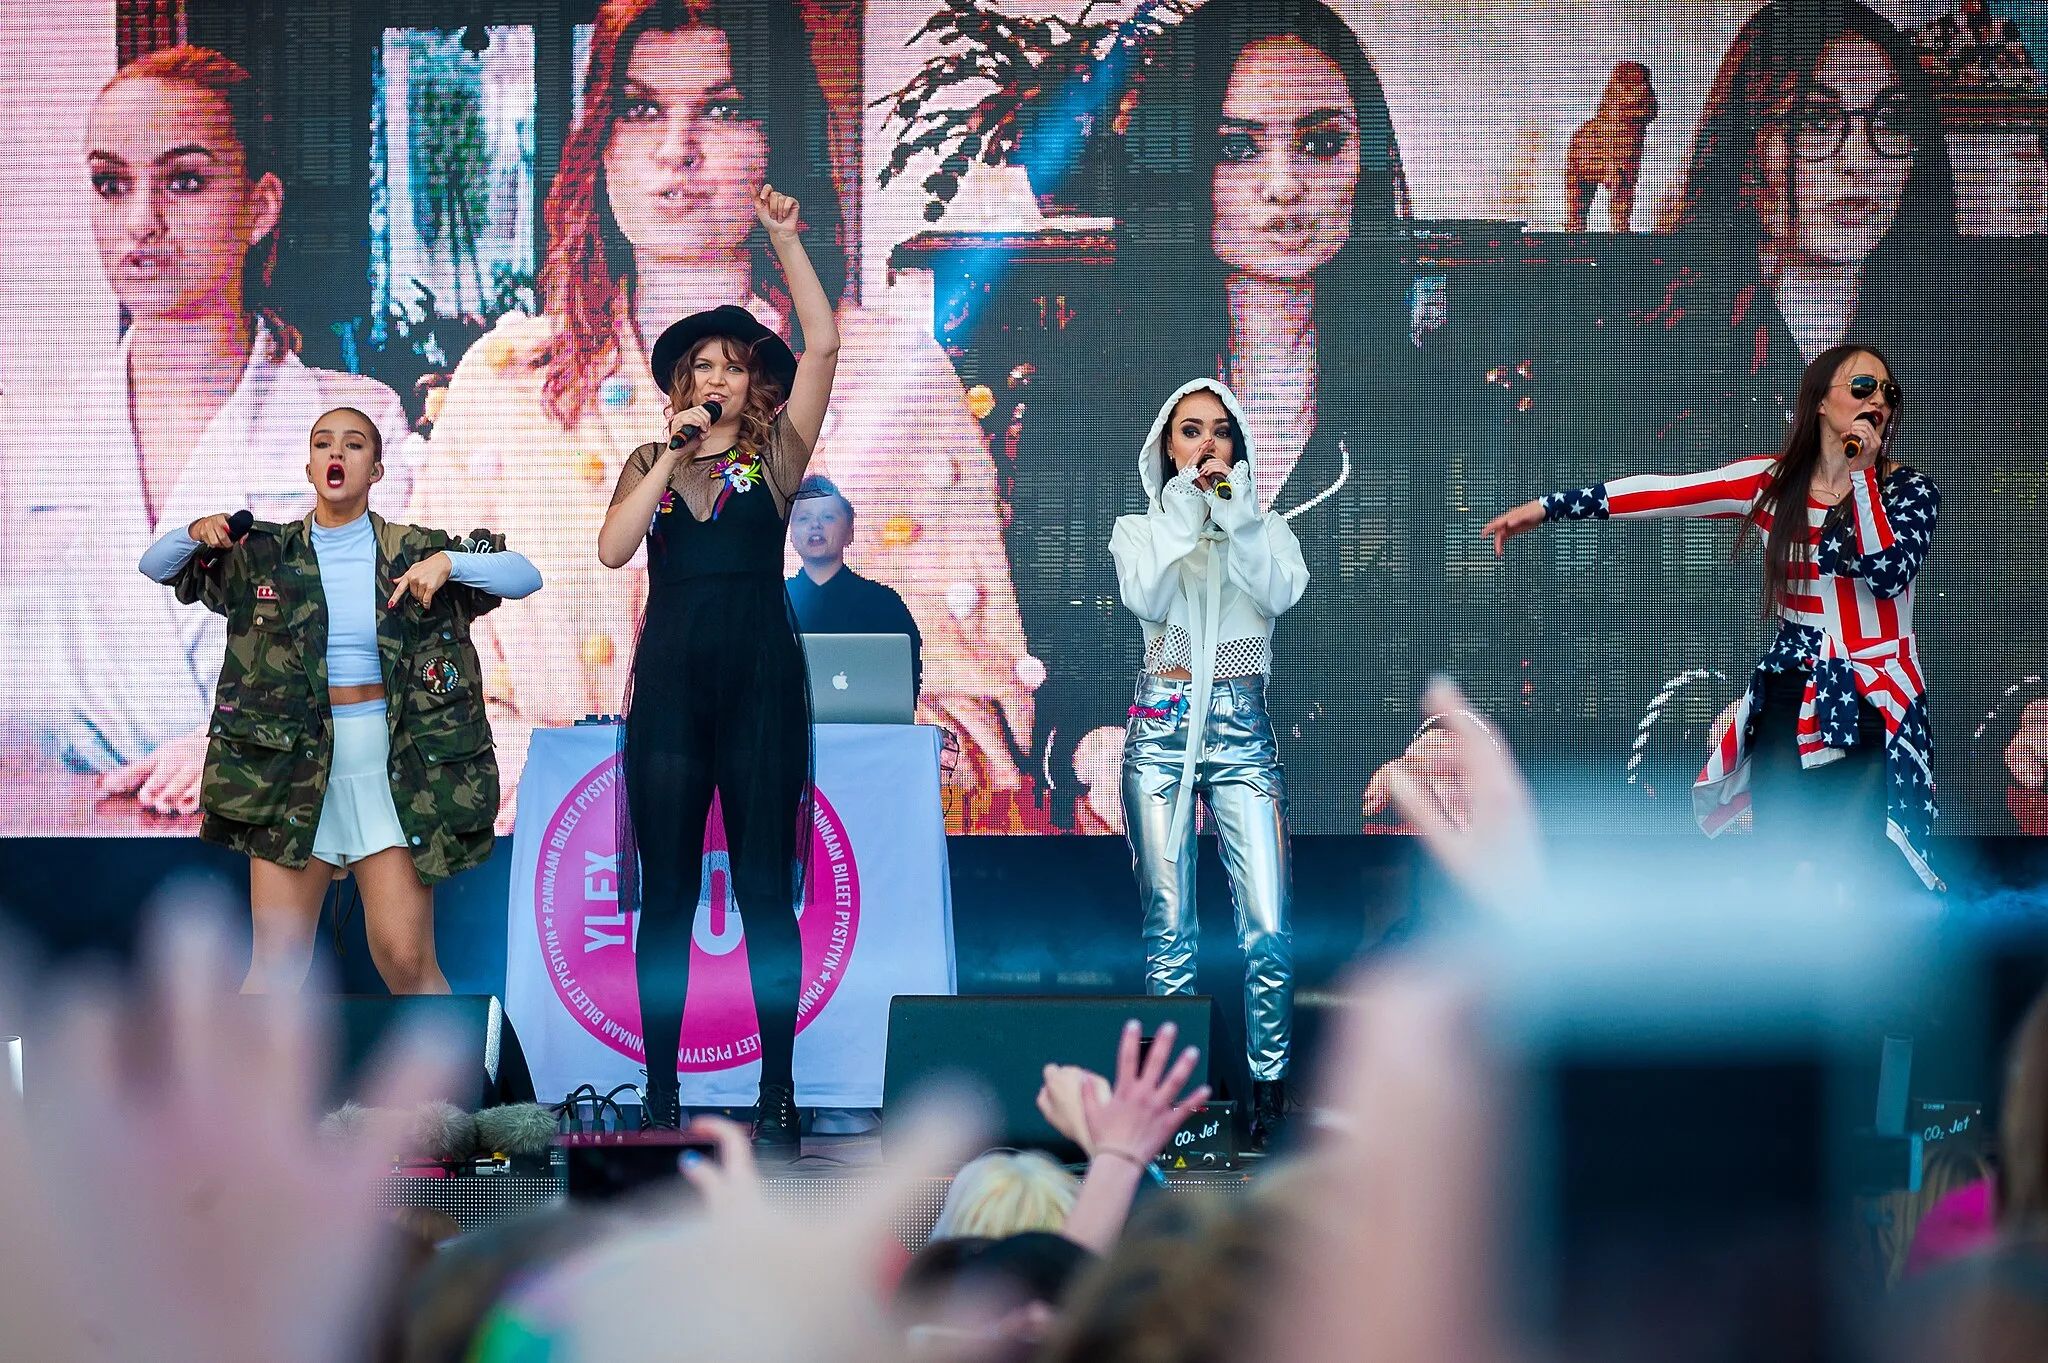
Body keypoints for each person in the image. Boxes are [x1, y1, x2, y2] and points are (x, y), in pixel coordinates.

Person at [411, 0, 1034, 833]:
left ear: (780, 141)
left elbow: (976, 725)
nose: (678, 151)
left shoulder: (892, 376)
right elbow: (420, 692)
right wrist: (606, 795)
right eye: (641, 110)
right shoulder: (505, 384)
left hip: (822, 901)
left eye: (723, 107)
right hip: (555, 897)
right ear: (599, 144)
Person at [986, 0, 1473, 837]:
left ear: (1366, 161)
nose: (1285, 186)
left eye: (1321, 142)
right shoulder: (1088, 397)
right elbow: (1045, 654)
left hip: (1358, 872)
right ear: (1179, 170)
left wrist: (1441, 746)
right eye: (1236, 147)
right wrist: (1102, 748)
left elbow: (1476, 651)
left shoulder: (1440, 408)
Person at [0, 45, 409, 821]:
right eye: (110, 183)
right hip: (59, 862)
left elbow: (411, 674)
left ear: (260, 207)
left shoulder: (358, 424)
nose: (141, 221)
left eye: (184, 180)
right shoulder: (27, 436)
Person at [1483, 343, 1942, 895]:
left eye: (1889, 394)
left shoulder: (1907, 489)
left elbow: (1888, 575)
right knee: (1782, 852)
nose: (1879, 402)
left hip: (1874, 700)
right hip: (1792, 689)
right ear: (1821, 401)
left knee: (1868, 866)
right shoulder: (1772, 484)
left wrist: (1863, 477)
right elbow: (1665, 492)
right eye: (1863, 388)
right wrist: (1550, 507)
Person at [139, 406, 540, 993]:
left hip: (390, 767)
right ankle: (258, 1089)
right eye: (324, 443)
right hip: (290, 770)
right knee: (276, 965)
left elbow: (523, 575)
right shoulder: (261, 553)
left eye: (354, 445)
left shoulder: (415, 549)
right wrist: (191, 533)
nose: (337, 454)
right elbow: (157, 566)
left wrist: (450, 562)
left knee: (406, 959)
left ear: (376, 469)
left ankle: (449, 1090)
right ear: (308, 465)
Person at [596, 183, 838, 1146]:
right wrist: (668, 452)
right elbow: (614, 550)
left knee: (767, 890)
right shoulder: (651, 462)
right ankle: (659, 1095)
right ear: (678, 385)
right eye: (701, 367)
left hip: (759, 688)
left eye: (733, 368)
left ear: (756, 385)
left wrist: (781, 236)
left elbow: (822, 346)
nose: (717, 380)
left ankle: (777, 1089)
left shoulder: (777, 457)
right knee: (666, 895)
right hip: (669, 695)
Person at [1112, 379, 1307, 1144]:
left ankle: (1267, 1089)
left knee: (1268, 924)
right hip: (1160, 726)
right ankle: (1177, 1102)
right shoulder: (1139, 529)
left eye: (1220, 431)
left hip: (1240, 726)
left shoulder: (1267, 527)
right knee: (1171, 927)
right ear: (1167, 444)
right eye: (1190, 431)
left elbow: (1279, 591)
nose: (1206, 445)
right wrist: (1188, 516)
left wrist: (1238, 518)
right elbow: (1151, 598)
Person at [786, 474, 923, 700]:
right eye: (803, 518)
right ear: (791, 534)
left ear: (850, 532)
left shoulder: (884, 603)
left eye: (828, 516)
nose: (815, 525)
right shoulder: (771, 601)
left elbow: (908, 682)